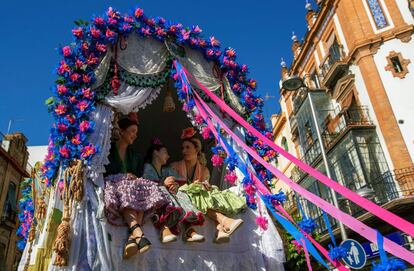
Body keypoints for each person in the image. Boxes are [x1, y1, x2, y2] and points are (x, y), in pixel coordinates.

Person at [103, 113, 172, 259]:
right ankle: (137, 233)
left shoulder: (136, 157)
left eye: (136, 132)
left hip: (130, 189)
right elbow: (103, 173)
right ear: (121, 131)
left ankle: (133, 238)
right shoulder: (107, 152)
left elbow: (137, 178)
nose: (135, 135)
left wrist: (132, 177)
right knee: (127, 188)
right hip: (114, 185)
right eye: (133, 131)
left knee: (139, 189)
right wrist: (122, 176)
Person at [171, 128, 246, 243]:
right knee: (196, 194)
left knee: (210, 194)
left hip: (198, 198)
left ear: (197, 150)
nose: (184, 151)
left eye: (187, 147)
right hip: (182, 198)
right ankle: (223, 223)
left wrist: (205, 185)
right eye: (183, 148)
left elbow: (206, 188)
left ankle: (220, 228)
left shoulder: (205, 171)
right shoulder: (174, 166)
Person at [142, 138, 205, 243]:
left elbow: (182, 181)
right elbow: (147, 183)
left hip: (168, 193)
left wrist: (174, 185)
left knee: (180, 193)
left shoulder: (166, 170)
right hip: (154, 196)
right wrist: (163, 184)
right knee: (163, 191)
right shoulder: (147, 167)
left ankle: (189, 228)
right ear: (156, 153)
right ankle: (164, 228)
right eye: (165, 153)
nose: (168, 156)